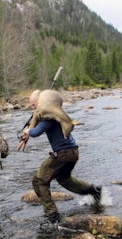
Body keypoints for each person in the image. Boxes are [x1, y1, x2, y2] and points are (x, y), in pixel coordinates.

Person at [18, 90, 101, 223]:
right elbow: (37, 125)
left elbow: (36, 132)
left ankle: (52, 215)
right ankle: (94, 191)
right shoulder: (52, 115)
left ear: (40, 102)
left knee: (39, 181)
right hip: (73, 152)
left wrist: (28, 131)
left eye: (34, 104)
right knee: (63, 179)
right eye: (31, 105)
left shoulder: (48, 116)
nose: (33, 107)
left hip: (63, 154)